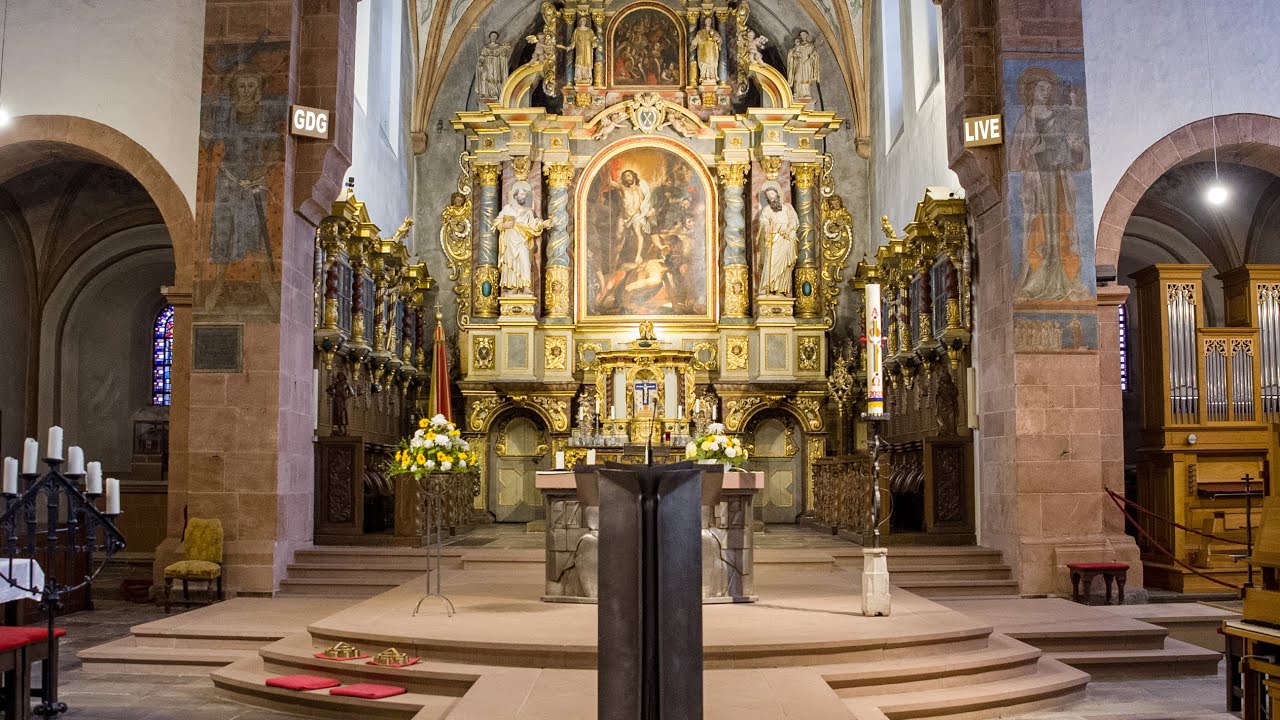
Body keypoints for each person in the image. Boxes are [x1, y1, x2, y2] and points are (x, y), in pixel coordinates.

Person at [1009, 67, 1090, 303]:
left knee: (1062, 226)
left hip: (1058, 179)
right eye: (1041, 89)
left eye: (1048, 89)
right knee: (1040, 229)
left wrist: (1075, 149)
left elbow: (1078, 155)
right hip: (1037, 183)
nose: (1045, 93)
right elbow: (1016, 159)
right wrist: (1035, 149)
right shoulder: (1026, 119)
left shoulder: (1060, 118)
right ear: (1031, 91)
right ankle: (1036, 281)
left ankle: (1067, 280)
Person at [493, 181, 550, 295]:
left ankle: (526, 286)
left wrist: (543, 224)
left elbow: (533, 224)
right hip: (509, 242)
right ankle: (513, 286)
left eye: (525, 195)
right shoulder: (507, 209)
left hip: (522, 241)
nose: (524, 197)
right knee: (511, 264)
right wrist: (504, 225)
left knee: (525, 262)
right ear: (515, 196)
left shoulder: (528, 212)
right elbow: (496, 222)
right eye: (522, 194)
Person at [756, 181, 799, 296]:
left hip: (786, 239)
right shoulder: (767, 210)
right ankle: (769, 288)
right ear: (767, 199)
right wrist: (767, 226)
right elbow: (764, 220)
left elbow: (793, 220)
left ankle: (780, 290)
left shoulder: (787, 208)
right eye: (769, 196)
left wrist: (789, 229)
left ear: (778, 195)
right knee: (772, 263)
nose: (772, 198)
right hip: (774, 239)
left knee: (784, 266)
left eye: (773, 194)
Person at [561, 17, 597, 86]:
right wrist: (569, 47)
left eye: (584, 20)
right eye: (582, 20)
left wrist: (595, 43)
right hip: (580, 49)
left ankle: (587, 77)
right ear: (580, 21)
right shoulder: (577, 30)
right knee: (579, 61)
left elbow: (594, 39)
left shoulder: (590, 31)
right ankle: (579, 77)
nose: (583, 21)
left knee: (587, 62)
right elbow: (573, 41)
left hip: (588, 49)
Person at [475, 31, 511, 99]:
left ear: (497, 38)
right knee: (484, 77)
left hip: (495, 66)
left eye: (495, 36)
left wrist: (503, 56)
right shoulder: (485, 47)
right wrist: (480, 61)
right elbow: (482, 56)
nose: (493, 37)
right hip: (487, 65)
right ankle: (484, 92)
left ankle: (494, 93)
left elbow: (502, 58)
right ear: (490, 37)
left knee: (495, 78)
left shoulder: (500, 47)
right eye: (492, 36)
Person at [787, 30, 820, 97]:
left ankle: (806, 93)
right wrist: (795, 55)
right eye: (801, 35)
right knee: (797, 76)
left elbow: (815, 55)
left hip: (807, 64)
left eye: (804, 35)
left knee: (806, 77)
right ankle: (797, 92)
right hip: (799, 63)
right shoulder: (798, 45)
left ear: (807, 35)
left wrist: (812, 57)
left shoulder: (810, 46)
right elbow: (792, 54)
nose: (803, 36)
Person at [693, 17, 721, 84]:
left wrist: (718, 39)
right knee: (704, 63)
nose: (709, 22)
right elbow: (695, 41)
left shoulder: (714, 32)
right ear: (705, 22)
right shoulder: (700, 32)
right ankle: (704, 76)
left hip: (712, 52)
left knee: (712, 63)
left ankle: (712, 76)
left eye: (710, 21)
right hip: (704, 52)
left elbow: (720, 40)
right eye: (707, 21)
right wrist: (694, 43)